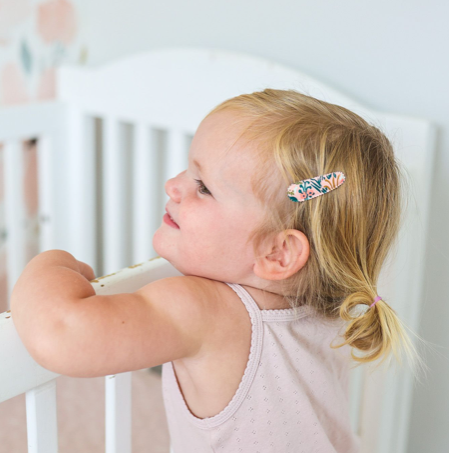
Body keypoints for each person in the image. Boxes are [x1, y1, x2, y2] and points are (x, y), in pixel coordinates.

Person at [11, 89, 426, 453]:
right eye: (189, 171)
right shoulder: (332, 309)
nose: (174, 184)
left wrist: (47, 265)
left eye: (203, 186)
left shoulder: (204, 310)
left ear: (279, 253)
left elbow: (59, 333)